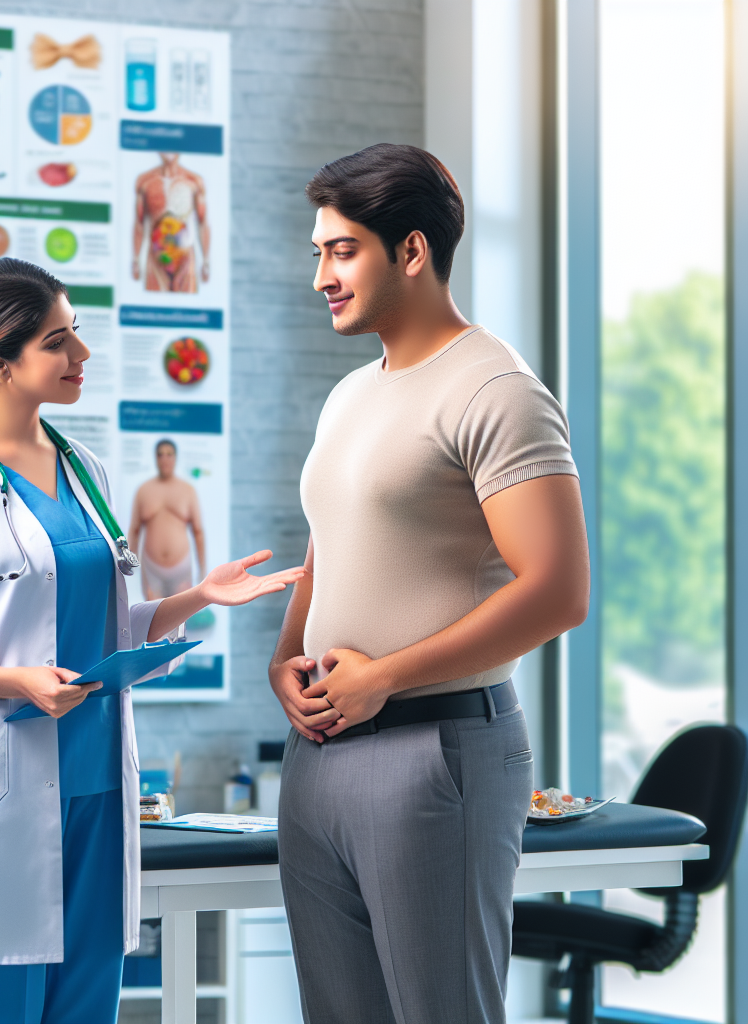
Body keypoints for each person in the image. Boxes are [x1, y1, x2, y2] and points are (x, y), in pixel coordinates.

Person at [0, 258, 303, 1024]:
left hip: (101, 790)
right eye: (57, 341)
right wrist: (20, 682)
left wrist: (198, 597)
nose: (82, 355)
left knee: (87, 1006)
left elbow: (105, 630)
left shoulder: (86, 468)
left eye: (78, 333)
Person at [268, 144, 590, 1024]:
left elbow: (558, 589)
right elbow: (332, 541)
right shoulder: (351, 395)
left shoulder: (495, 389)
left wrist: (385, 677)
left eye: (343, 251)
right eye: (318, 254)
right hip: (322, 756)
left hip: (434, 751)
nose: (322, 277)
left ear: (411, 251)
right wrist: (284, 658)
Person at [128, 438, 205, 599]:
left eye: (169, 454)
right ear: (155, 458)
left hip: (181, 567)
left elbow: (198, 531)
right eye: (160, 454)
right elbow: (134, 530)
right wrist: (128, 566)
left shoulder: (187, 491)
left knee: (179, 619)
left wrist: (202, 568)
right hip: (152, 568)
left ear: (175, 458)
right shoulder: (143, 490)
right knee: (154, 619)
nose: (165, 459)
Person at [131, 152, 210, 292]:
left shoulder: (194, 181)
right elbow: (139, 224)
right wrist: (136, 259)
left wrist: (206, 260)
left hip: (185, 258)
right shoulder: (144, 182)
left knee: (187, 306)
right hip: (156, 258)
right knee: (154, 306)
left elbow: (202, 222)